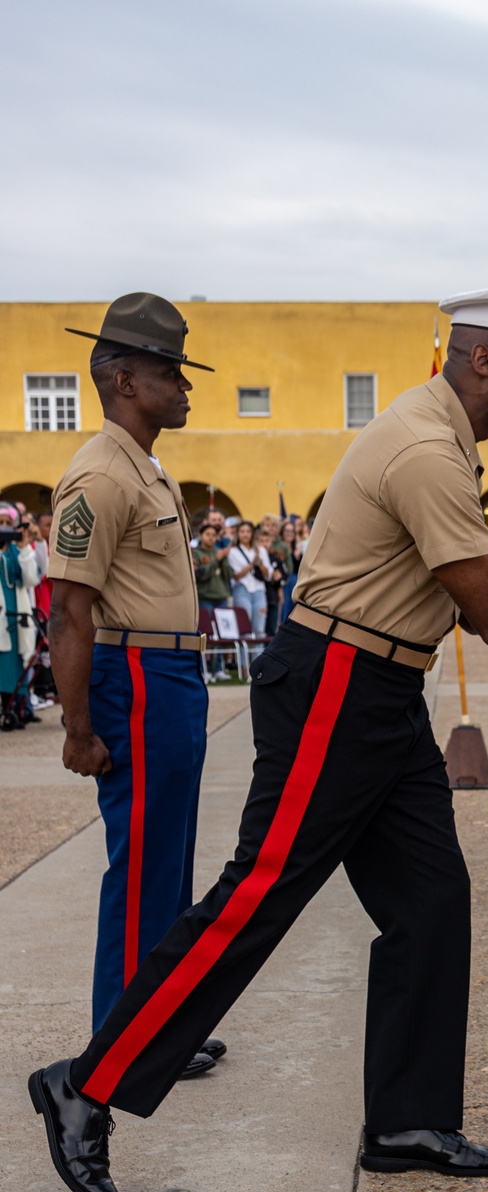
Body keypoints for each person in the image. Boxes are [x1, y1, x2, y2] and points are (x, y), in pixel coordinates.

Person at [28, 283, 488, 1192]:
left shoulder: (443, 440)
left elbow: (477, 593)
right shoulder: (424, 447)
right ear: (483, 358)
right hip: (336, 684)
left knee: (433, 898)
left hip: (380, 689)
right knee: (258, 896)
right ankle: (88, 1085)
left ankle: (407, 1120)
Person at [44, 293, 224, 1077]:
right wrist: (77, 728)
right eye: (169, 373)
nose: (185, 386)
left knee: (170, 856)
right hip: (138, 679)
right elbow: (70, 612)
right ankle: (120, 1038)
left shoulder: (143, 466)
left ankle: (159, 1017)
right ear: (123, 381)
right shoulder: (97, 474)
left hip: (171, 671)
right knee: (143, 858)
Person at [0, 508, 42, 729]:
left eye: (8, 522)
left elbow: (32, 578)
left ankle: (15, 709)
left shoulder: (17, 552)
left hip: (15, 618)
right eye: (0, 522)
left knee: (16, 665)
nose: (4, 527)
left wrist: (25, 547)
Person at [193, 520, 233, 680]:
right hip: (205, 598)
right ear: (200, 536)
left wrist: (223, 560)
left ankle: (218, 669)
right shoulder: (196, 553)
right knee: (206, 636)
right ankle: (204, 670)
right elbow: (201, 576)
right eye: (207, 534)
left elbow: (229, 574)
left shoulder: (219, 552)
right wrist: (216, 559)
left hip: (221, 597)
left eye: (213, 535)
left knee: (219, 636)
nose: (210, 538)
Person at [229, 519, 272, 658]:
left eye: (248, 531)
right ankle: (243, 665)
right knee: (244, 629)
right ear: (238, 533)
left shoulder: (260, 550)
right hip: (241, 589)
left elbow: (268, 574)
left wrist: (258, 563)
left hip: (259, 590)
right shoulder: (233, 552)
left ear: (252, 533)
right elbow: (235, 576)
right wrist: (251, 564)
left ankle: (257, 665)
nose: (245, 534)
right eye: (242, 531)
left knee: (259, 630)